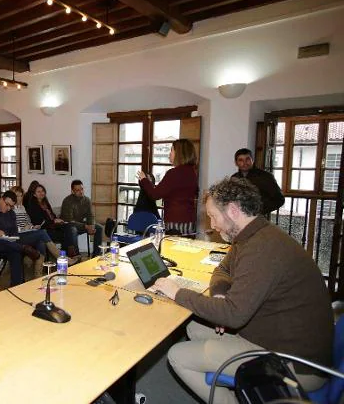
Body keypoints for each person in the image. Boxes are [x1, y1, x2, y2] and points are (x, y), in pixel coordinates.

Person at [152, 177, 333, 404]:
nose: (212, 225)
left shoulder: (262, 249)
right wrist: (219, 294)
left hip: (293, 364)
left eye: (213, 216)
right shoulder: (253, 235)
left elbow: (233, 315)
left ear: (233, 210)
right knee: (195, 326)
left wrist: (176, 292)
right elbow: (223, 268)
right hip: (274, 335)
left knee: (177, 356)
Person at [0, 191, 40, 286]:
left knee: (15, 252)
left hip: (8, 244)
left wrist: (10, 237)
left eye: (11, 206)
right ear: (1, 199)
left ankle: (16, 285)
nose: (8, 208)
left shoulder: (11, 213)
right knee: (5, 243)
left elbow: (14, 232)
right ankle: (23, 248)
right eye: (7, 205)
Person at [137, 139, 198, 235]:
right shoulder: (192, 172)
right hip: (189, 221)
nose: (169, 154)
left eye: (172, 150)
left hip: (176, 222)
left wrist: (144, 180)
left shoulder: (173, 173)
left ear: (179, 153)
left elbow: (155, 194)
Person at [11, 186, 78, 267]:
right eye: (17, 196)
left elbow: (28, 222)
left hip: (27, 232)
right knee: (42, 233)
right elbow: (11, 228)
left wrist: (32, 227)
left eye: (21, 196)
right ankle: (63, 258)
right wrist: (23, 228)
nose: (19, 198)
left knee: (42, 242)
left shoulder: (22, 208)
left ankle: (38, 274)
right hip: (17, 236)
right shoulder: (10, 209)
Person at [26, 183, 80, 258]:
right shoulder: (33, 206)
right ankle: (72, 255)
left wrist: (57, 219)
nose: (42, 193)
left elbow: (52, 215)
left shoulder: (45, 203)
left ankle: (68, 255)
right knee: (69, 232)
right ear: (34, 194)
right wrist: (53, 221)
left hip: (53, 227)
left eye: (42, 191)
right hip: (45, 230)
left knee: (70, 227)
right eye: (38, 192)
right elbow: (39, 222)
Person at [231, 148, 284, 215]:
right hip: (239, 218)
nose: (244, 163)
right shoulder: (234, 178)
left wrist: (260, 211)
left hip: (259, 218)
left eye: (247, 159)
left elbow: (279, 199)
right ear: (236, 163)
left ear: (252, 160)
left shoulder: (265, 176)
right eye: (241, 160)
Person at [60, 180, 103, 257]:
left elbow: (90, 215)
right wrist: (86, 226)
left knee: (99, 228)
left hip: (80, 225)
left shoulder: (87, 200)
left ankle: (96, 255)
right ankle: (76, 256)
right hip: (67, 226)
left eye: (82, 189)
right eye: (77, 190)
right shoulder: (67, 201)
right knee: (73, 229)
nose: (81, 192)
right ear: (72, 191)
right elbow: (69, 221)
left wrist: (91, 225)